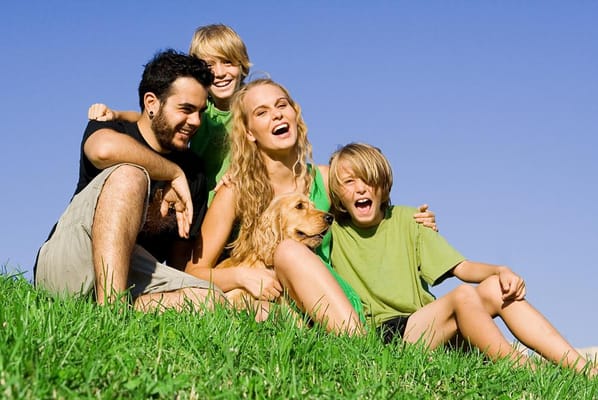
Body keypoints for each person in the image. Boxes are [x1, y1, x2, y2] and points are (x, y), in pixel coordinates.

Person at [184, 79, 436, 335]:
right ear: (249, 132)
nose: (276, 114)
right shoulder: (235, 191)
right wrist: (242, 276)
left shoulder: (325, 180)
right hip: (276, 299)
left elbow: (373, 206)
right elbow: (194, 272)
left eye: (282, 105)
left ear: (295, 113)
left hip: (336, 303)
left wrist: (416, 222)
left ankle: (356, 342)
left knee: (288, 251)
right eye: (262, 112)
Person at [328, 142, 597, 374]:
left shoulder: (409, 220)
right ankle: (518, 366)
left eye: (368, 180)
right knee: (463, 296)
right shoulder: (332, 234)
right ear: (338, 194)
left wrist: (501, 270)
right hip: (388, 336)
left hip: (429, 324)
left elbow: (462, 267)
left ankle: (582, 368)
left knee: (496, 287)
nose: (360, 189)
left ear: (383, 186)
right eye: (349, 182)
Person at [35, 49, 223, 312]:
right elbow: (103, 150)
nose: (195, 122)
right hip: (72, 259)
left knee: (212, 300)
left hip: (136, 276)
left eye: (200, 112)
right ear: (151, 103)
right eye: (186, 110)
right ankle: (110, 311)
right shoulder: (112, 128)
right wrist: (171, 172)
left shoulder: (194, 171)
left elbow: (179, 264)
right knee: (131, 174)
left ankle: (114, 306)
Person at [88, 24, 251, 204]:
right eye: (210, 65)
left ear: (242, 64)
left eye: (228, 62)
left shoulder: (253, 108)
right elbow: (154, 120)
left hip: (242, 199)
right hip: (206, 205)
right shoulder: (201, 111)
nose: (219, 73)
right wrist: (117, 115)